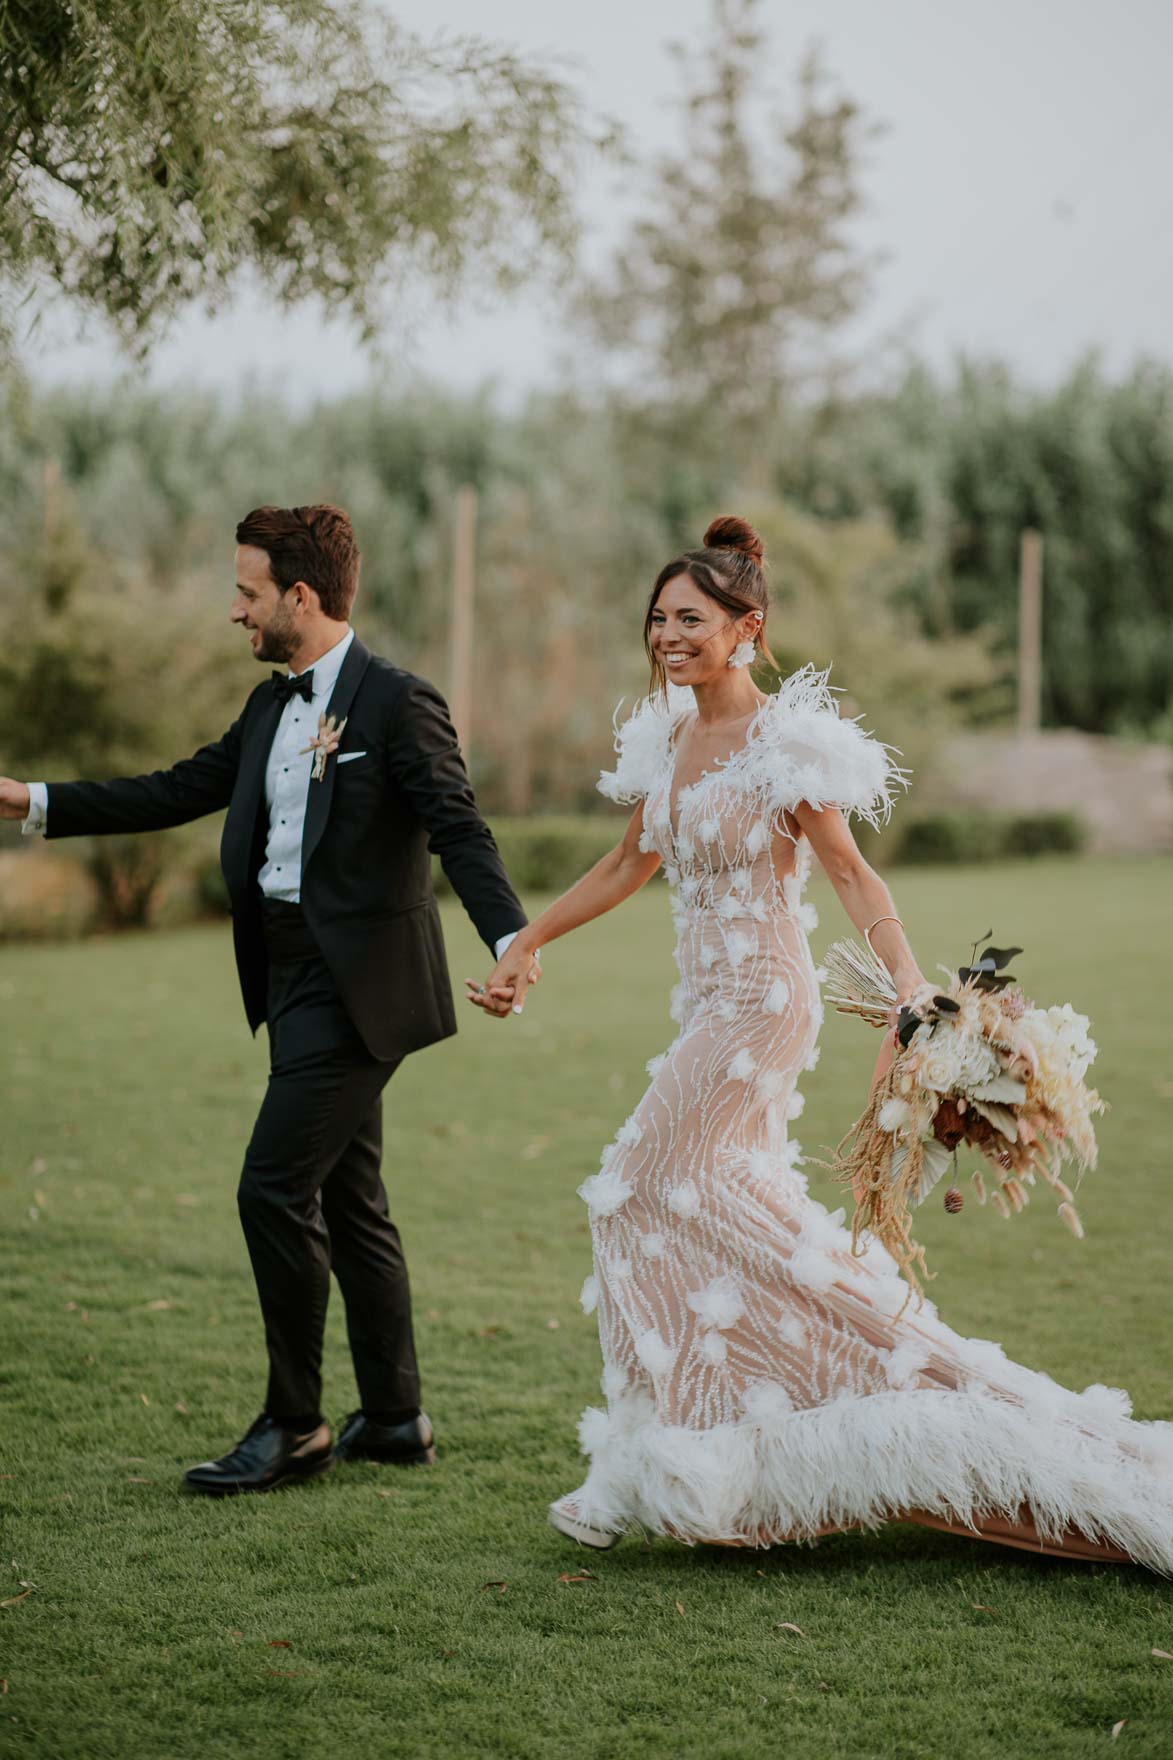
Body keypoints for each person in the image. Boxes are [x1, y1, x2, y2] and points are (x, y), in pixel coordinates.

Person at [468, 514, 1173, 1573]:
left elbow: (849, 872)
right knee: (720, 1214)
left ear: (747, 629)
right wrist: (526, 941)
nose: (668, 635)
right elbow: (626, 865)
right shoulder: (665, 740)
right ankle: (758, 1426)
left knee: (636, 1184)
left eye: (691, 619)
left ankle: (675, 1452)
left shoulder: (783, 745)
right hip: (704, 1004)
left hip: (763, 1006)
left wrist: (911, 989)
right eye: (659, 619)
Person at [0, 503, 538, 1496]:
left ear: (300, 595)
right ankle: (394, 1415)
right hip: (288, 976)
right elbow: (173, 788)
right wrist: (28, 797)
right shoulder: (267, 709)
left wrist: (512, 940)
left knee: (271, 1188)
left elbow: (459, 828)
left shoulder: (397, 702)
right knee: (350, 1194)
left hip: (362, 984)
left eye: (247, 593)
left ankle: (295, 1423)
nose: (234, 611)